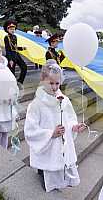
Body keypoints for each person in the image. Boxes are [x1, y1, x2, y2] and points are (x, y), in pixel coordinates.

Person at [24, 60, 86, 192]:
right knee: (46, 172)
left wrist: (74, 126)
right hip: (46, 147)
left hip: (60, 147)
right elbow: (30, 130)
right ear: (42, 80)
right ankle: (43, 177)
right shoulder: (36, 104)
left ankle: (57, 183)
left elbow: (69, 118)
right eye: (50, 83)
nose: (54, 87)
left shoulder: (64, 100)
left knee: (58, 168)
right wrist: (50, 133)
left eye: (57, 83)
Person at [3, 20, 27, 87]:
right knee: (12, 72)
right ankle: (12, 86)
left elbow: (15, 47)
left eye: (13, 29)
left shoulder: (15, 37)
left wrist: (22, 48)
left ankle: (20, 81)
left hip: (16, 55)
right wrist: (10, 59)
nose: (13, 30)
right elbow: (7, 49)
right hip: (11, 55)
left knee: (24, 67)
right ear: (7, 29)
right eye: (11, 29)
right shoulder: (6, 37)